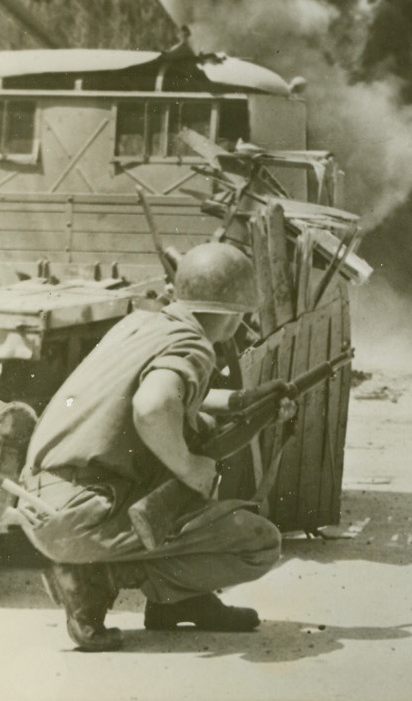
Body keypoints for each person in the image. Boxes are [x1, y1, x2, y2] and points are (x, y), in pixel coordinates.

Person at [18, 242, 287, 652]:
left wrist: (239, 402)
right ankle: (94, 581)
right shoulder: (195, 346)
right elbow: (153, 406)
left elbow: (157, 396)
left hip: (42, 500)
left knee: (197, 436)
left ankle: (179, 603)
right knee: (259, 544)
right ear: (234, 316)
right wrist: (188, 467)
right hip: (81, 515)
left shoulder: (142, 324)